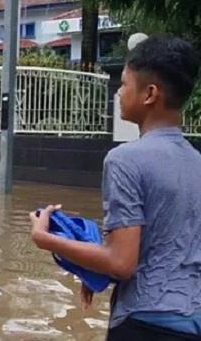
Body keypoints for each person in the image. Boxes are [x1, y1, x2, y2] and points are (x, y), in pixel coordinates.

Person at [30, 36, 201, 340]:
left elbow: (121, 263)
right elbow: (167, 248)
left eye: (124, 84)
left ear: (150, 94)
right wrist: (90, 265)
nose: (119, 92)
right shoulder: (196, 161)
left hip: (146, 324)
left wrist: (45, 239)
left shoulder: (125, 160)